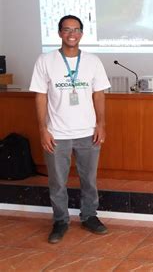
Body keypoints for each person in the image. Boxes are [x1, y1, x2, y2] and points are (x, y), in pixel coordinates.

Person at [30, 15, 111, 244]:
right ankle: (60, 220)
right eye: (66, 29)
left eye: (76, 29)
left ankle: (89, 216)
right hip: (57, 133)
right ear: (59, 33)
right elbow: (40, 96)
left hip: (88, 132)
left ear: (82, 34)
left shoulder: (93, 61)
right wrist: (43, 129)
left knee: (89, 179)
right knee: (57, 182)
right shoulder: (45, 61)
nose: (71, 33)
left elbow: (99, 94)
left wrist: (101, 124)